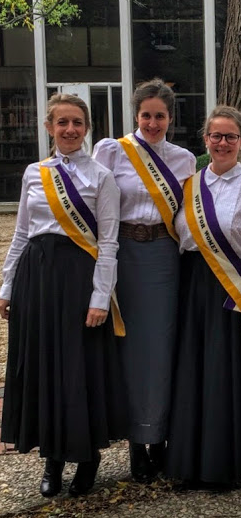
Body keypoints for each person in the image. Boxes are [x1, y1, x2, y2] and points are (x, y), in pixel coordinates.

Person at [0, 93, 127, 497]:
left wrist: (99, 297)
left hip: (79, 281)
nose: (70, 130)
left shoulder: (101, 177)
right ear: (49, 127)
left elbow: (108, 242)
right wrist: (5, 286)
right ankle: (52, 460)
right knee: (44, 368)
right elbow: (21, 233)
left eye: (77, 123)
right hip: (36, 281)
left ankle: (88, 457)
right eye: (62, 123)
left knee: (80, 368)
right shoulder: (34, 173)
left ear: (87, 128)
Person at [164, 105, 241, 488]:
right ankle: (190, 462)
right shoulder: (187, 187)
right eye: (215, 135)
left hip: (235, 290)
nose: (222, 143)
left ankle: (234, 462)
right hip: (193, 288)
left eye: (230, 136)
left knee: (230, 375)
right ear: (205, 140)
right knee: (193, 373)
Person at [93, 78, 196, 483]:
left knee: (161, 348)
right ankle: (136, 441)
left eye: (161, 116)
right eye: (146, 115)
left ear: (171, 117)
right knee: (129, 349)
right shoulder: (112, 150)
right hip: (122, 256)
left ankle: (160, 438)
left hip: (163, 258)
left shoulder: (185, 159)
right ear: (136, 115)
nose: (153, 123)